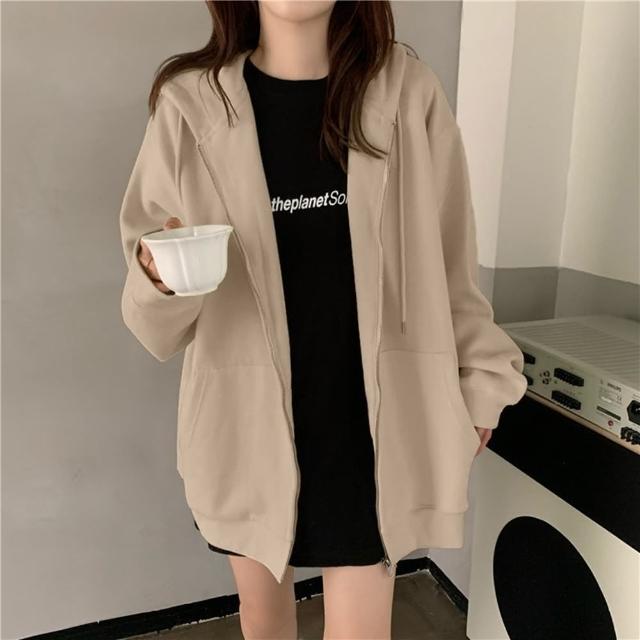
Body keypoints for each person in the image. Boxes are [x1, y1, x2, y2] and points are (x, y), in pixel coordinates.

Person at [119, 1, 528, 638]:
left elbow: (453, 260)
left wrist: (482, 382)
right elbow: (155, 322)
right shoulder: (190, 104)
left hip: (374, 429)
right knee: (264, 624)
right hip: (243, 422)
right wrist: (159, 277)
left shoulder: (407, 91)